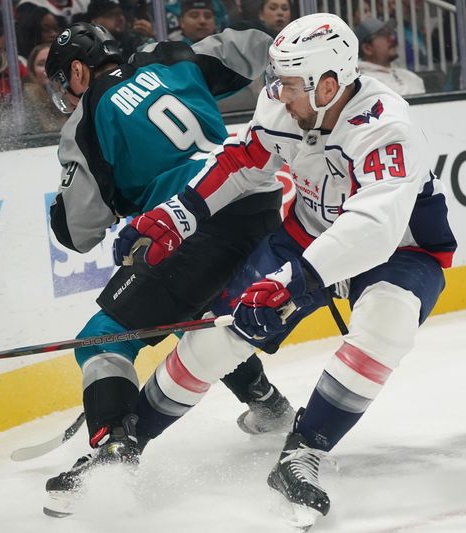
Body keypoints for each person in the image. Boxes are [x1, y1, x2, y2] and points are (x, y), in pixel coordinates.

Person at [116, 12, 457, 520]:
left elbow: (376, 225)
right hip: (307, 235)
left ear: (329, 83)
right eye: (276, 81)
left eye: (290, 84)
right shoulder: (285, 107)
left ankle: (303, 453)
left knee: (388, 322)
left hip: (401, 250)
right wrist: (176, 216)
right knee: (214, 338)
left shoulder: (387, 125)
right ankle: (124, 446)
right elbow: (243, 162)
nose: (278, 94)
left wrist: (294, 281)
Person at [42, 22, 295, 517]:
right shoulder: (170, 56)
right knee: (196, 312)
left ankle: (114, 447)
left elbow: (79, 231)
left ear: (77, 71)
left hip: (190, 225)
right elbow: (265, 49)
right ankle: (269, 404)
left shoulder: (86, 119)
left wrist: (69, 202)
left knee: (104, 338)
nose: (63, 97)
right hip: (257, 196)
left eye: (61, 84)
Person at [355, 17, 426, 96]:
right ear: (367, 48)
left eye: (390, 33)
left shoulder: (409, 75)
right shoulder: (363, 82)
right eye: (383, 34)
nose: (392, 38)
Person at [22, 43, 67, 131]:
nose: (47, 69)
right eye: (41, 64)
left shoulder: (73, 93)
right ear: (32, 70)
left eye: (52, 63)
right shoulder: (27, 99)